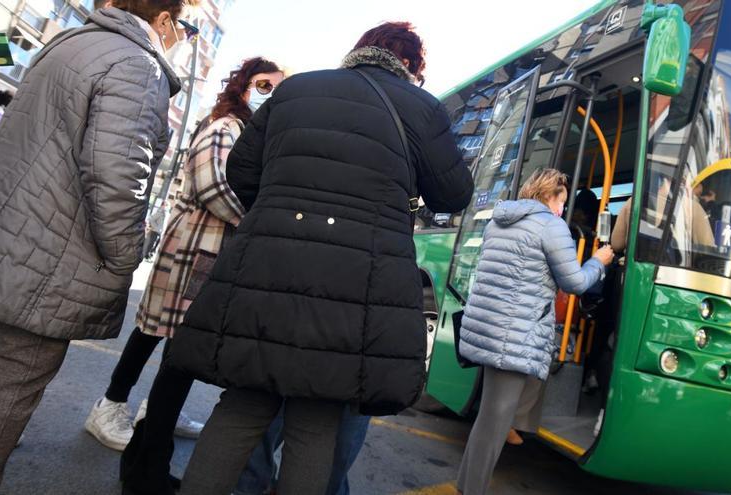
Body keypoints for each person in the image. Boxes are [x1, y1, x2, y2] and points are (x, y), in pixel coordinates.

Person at [166, 21, 474, 495]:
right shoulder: (422, 108)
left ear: (358, 51)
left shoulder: (296, 91)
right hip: (356, 283)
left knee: (242, 406)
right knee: (317, 419)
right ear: (410, 64)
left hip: (267, 266)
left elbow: (240, 171)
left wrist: (280, 212)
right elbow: (453, 193)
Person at [0, 0, 190, 485]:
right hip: (44, 269)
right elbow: (117, 179)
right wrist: (127, 255)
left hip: (12, 249)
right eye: (184, 26)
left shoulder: (73, 43)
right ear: (164, 20)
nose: (184, 37)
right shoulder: (137, 64)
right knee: (6, 399)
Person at [101, 57, 283, 494]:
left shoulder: (247, 132)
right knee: (179, 360)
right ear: (242, 85)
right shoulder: (226, 128)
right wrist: (256, 220)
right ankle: (146, 469)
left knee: (177, 361)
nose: (268, 93)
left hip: (206, 255)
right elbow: (212, 187)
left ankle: (143, 458)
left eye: (276, 88)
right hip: (195, 254)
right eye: (262, 84)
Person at [455, 168, 613, 495]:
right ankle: (471, 488)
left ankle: (514, 430)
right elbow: (575, 282)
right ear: (548, 195)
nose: (562, 210)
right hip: (515, 334)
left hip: (491, 327)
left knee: (496, 412)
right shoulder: (551, 227)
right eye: (561, 202)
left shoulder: (500, 221)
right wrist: (598, 261)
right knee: (492, 424)